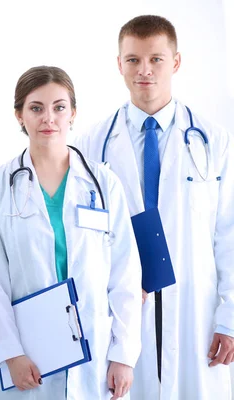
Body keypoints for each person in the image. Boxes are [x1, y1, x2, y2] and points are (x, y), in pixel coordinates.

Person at [74, 15, 234, 400]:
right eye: (132, 60)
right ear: (119, 64)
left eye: (156, 59)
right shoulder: (91, 145)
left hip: (194, 307)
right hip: (124, 307)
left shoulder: (213, 142)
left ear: (176, 62)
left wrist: (229, 319)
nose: (144, 70)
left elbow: (228, 233)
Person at [0, 66, 142, 399]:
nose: (48, 117)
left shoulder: (103, 183)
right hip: (28, 352)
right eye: (36, 108)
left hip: (94, 350)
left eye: (59, 107)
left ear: (73, 114)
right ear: (19, 115)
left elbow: (125, 273)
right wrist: (12, 353)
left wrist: (123, 356)